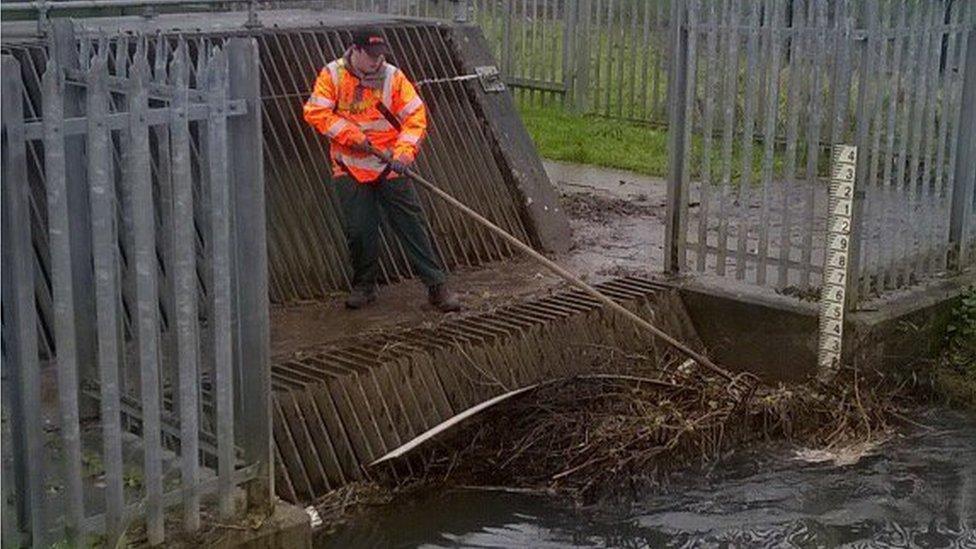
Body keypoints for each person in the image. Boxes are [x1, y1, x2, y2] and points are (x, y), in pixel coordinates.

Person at [303, 27, 461, 312]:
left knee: (412, 225)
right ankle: (364, 286)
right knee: (360, 230)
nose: (377, 61)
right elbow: (316, 112)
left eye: (381, 55)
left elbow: (415, 116)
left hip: (390, 165)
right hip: (349, 166)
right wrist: (351, 136)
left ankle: (437, 286)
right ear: (356, 50)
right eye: (371, 55)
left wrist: (404, 153)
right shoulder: (332, 75)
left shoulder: (393, 77)